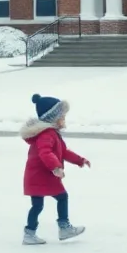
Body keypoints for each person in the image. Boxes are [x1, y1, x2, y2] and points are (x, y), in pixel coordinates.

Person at [21, 94, 90, 245]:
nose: (64, 120)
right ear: (53, 118)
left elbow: (63, 152)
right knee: (61, 197)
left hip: (37, 175)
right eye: (62, 117)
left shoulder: (50, 134)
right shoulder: (47, 134)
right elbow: (45, 152)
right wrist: (56, 167)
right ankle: (64, 228)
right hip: (42, 175)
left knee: (38, 205)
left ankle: (29, 233)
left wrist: (80, 160)